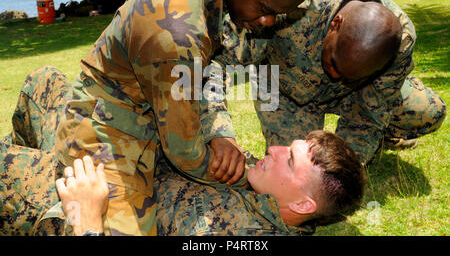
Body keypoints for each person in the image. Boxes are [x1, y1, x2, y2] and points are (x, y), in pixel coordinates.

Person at [2, 0, 318, 236]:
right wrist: (235, 175)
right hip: (106, 131)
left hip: (128, 101)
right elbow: (185, 152)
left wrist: (220, 133)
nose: (267, 22)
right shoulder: (178, 35)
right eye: (265, 7)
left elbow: (203, 68)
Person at [1, 67, 365, 236]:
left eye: (289, 158)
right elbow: (207, 74)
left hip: (96, 203)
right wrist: (222, 136)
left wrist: (88, 221)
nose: (274, 147)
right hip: (127, 161)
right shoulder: (266, 187)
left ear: (303, 205)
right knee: (43, 82)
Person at [202, 0, 447, 165]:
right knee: (296, 167)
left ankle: (388, 135)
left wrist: (347, 165)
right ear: (335, 24)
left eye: (350, 75)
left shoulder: (399, 41)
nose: (336, 77)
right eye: (333, 63)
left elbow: (369, 115)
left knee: (429, 111)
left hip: (357, 96)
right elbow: (214, 65)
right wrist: (219, 133)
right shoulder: (288, 4)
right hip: (285, 91)